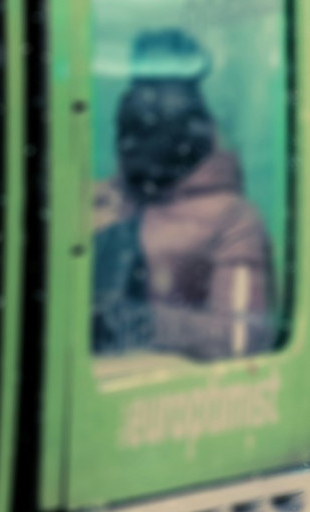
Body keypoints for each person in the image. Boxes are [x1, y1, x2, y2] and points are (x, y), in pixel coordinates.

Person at [91, 29, 273, 360]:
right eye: (131, 128)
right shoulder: (101, 202)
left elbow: (239, 338)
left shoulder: (231, 218)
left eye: (158, 125)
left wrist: (137, 319)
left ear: (193, 133)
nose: (136, 145)